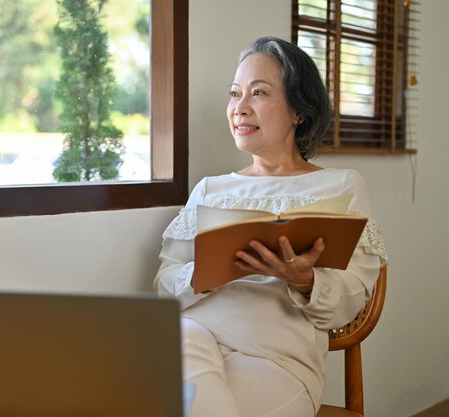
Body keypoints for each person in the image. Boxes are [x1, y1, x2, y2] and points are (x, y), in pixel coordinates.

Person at [153, 36, 388, 417]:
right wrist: (210, 271)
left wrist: (304, 280)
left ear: (299, 110)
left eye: (258, 93)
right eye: (234, 94)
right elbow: (165, 285)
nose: (239, 108)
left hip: (280, 357)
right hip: (195, 335)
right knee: (179, 348)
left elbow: (352, 300)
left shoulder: (342, 186)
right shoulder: (211, 189)